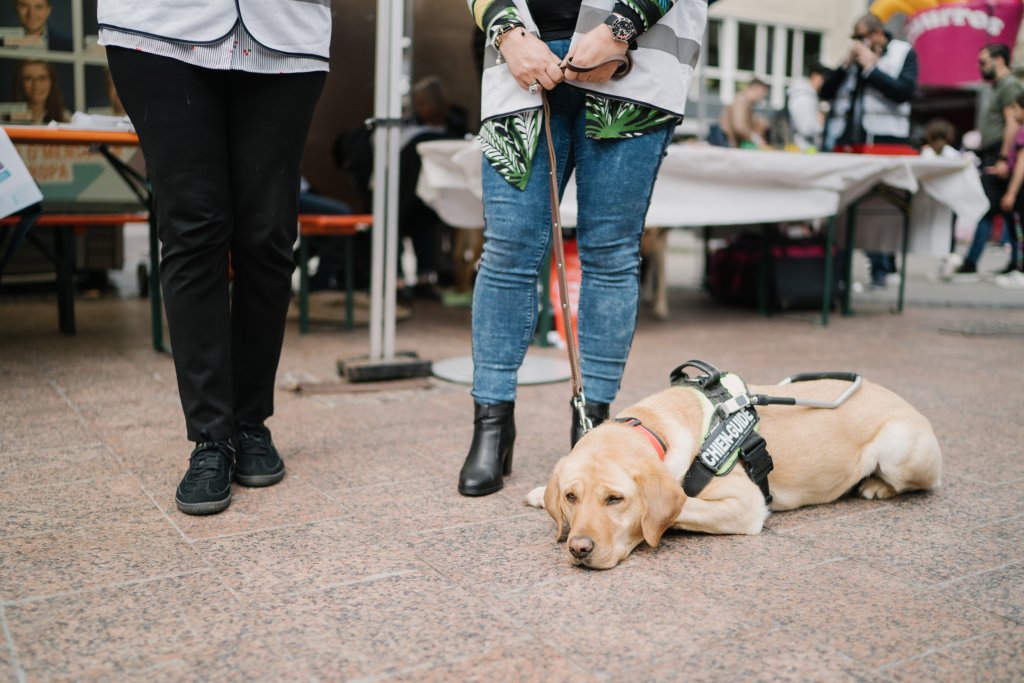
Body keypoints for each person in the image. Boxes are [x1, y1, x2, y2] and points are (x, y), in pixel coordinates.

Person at [459, 0, 706, 496]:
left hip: (632, 66)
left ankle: (592, 424)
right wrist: (507, 31)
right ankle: (492, 422)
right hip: (520, 65)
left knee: (610, 254)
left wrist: (621, 26)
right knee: (507, 252)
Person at [98, 0, 330, 515]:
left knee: (269, 234)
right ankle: (210, 438)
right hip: (160, 26)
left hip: (287, 32)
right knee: (193, 228)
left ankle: (250, 423)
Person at [820, 12, 918, 289]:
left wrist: (872, 69)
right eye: (855, 39)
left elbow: (904, 91)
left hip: (885, 144)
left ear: (878, 34)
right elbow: (826, 93)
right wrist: (844, 66)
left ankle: (883, 269)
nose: (858, 43)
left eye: (861, 38)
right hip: (849, 143)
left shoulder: (903, 53)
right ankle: (838, 277)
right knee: (845, 208)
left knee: (879, 206)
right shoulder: (852, 61)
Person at [954, 43, 1023, 275]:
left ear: (999, 60)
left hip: (1000, 155)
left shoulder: (1009, 85)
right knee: (1004, 209)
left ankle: (973, 261)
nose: (980, 67)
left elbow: (1013, 122)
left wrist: (1003, 157)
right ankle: (1015, 261)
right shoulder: (999, 86)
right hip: (995, 153)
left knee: (987, 207)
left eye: (983, 61)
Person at [995, 92, 1024, 280]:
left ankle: (1021, 271)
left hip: (1020, 187)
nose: (1013, 113)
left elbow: (1022, 163)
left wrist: (1011, 193)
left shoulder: (1022, 132)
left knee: (1020, 229)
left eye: (1015, 108)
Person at [12, 59, 68, 123]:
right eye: (29, 78)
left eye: (42, 78)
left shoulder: (66, 118)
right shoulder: (5, 116)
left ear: (51, 83)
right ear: (20, 83)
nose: (36, 84)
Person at [719, 78, 769, 148]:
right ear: (755, 88)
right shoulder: (741, 101)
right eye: (762, 93)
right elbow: (739, 126)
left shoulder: (746, 102)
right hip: (730, 144)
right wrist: (756, 139)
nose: (762, 97)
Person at [787, 63, 827, 151]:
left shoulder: (809, 96)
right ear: (815, 76)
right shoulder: (803, 97)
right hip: (803, 151)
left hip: (807, 149)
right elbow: (805, 129)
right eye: (823, 78)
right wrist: (820, 124)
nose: (824, 83)